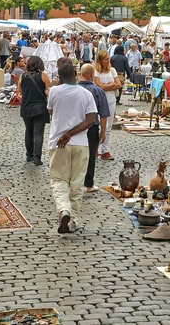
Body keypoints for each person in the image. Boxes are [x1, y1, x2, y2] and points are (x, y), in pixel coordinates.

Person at [46, 60, 97, 233]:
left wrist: (66, 133)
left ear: (59, 78)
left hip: (58, 142)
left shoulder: (54, 91)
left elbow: (51, 111)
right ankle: (73, 219)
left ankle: (63, 209)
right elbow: (91, 120)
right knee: (77, 182)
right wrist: (72, 133)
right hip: (81, 143)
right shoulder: (86, 94)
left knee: (59, 179)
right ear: (76, 74)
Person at [77, 63, 109, 193]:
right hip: (92, 127)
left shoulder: (73, 89)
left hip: (75, 127)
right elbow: (104, 114)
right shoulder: (98, 91)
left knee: (76, 154)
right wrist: (103, 132)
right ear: (92, 75)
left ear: (80, 74)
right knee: (90, 156)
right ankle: (88, 184)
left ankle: (74, 182)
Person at [20, 55, 52, 165]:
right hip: (40, 107)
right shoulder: (43, 76)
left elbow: (20, 91)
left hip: (26, 107)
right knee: (38, 133)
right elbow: (47, 91)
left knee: (28, 131)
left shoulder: (23, 76)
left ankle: (29, 155)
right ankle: (37, 157)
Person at [93, 51, 121, 160]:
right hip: (99, 101)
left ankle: (104, 149)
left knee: (108, 126)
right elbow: (99, 86)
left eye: (108, 59)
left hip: (111, 100)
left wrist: (106, 86)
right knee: (98, 125)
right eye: (105, 59)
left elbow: (118, 84)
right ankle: (95, 147)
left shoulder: (112, 70)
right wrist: (111, 85)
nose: (108, 61)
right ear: (100, 60)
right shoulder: (96, 72)